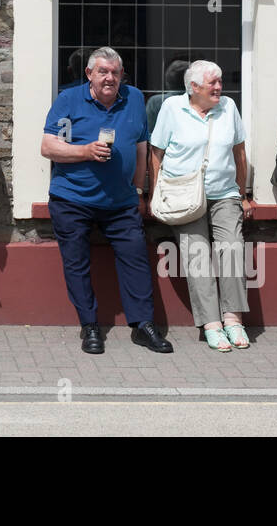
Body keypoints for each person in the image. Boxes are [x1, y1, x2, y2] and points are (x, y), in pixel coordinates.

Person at [41, 47, 173, 355]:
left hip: (121, 201)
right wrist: (85, 151)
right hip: (72, 198)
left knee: (136, 259)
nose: (110, 78)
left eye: (115, 72)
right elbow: (48, 147)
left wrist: (140, 190)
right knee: (77, 263)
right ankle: (90, 326)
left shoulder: (135, 99)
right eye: (103, 72)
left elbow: (141, 148)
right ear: (89, 74)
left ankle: (143, 325)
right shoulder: (69, 100)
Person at [150, 60, 252, 351]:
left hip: (224, 193)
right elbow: (156, 153)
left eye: (220, 82)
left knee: (231, 248)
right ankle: (211, 323)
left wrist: (242, 194)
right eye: (213, 83)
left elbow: (239, 152)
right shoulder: (172, 108)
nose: (219, 87)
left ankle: (233, 319)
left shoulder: (229, 107)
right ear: (193, 87)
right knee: (197, 255)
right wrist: (154, 194)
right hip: (184, 195)